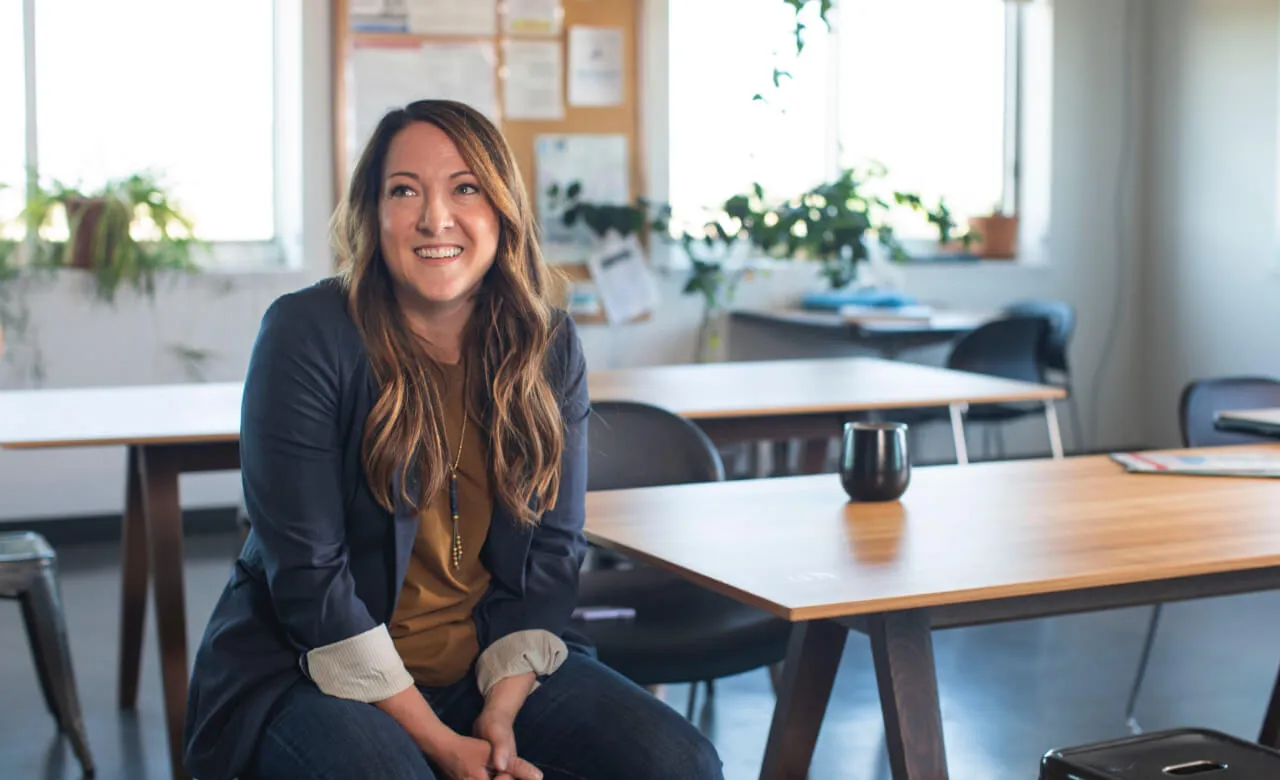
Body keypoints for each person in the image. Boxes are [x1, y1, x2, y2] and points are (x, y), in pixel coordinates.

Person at [182, 99, 725, 780]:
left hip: (488, 665)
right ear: (372, 214)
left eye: (464, 188)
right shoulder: (306, 333)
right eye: (404, 190)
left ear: (501, 208)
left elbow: (552, 554)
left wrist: (498, 718)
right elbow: (309, 582)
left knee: (680, 764)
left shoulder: (547, 344)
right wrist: (443, 745)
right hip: (314, 669)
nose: (434, 218)